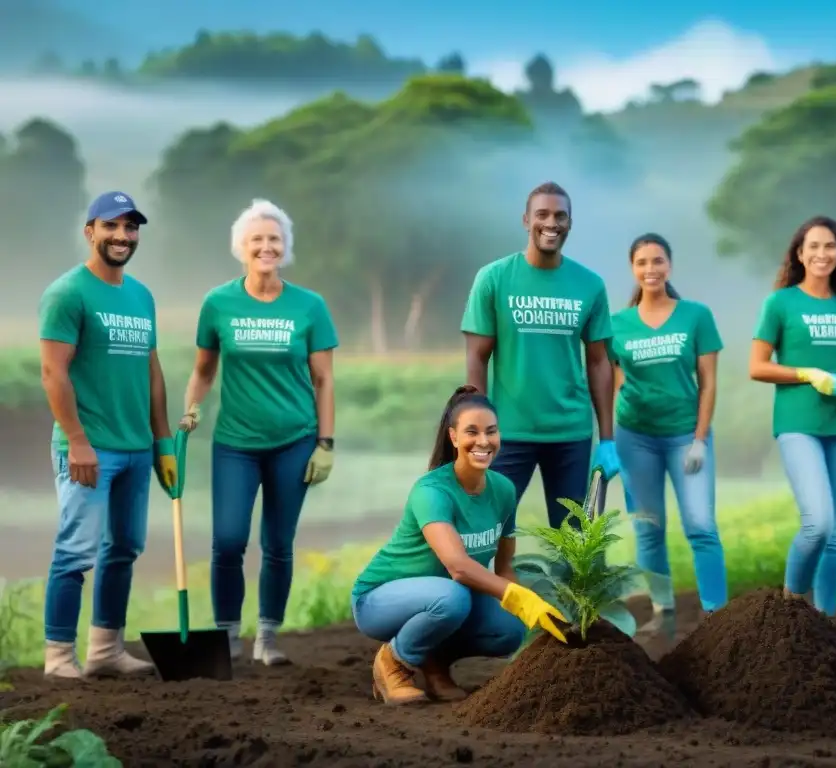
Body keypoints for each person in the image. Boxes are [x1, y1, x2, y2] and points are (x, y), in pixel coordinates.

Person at [178, 198, 339, 665]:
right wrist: (191, 409)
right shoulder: (218, 303)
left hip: (295, 441)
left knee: (278, 544)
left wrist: (326, 443)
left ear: (285, 246)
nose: (266, 247)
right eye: (256, 239)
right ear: (241, 248)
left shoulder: (310, 306)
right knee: (228, 540)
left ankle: (267, 637)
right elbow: (204, 370)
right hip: (235, 444)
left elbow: (324, 380)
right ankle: (227, 635)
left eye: (274, 239)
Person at [350, 386, 568, 705]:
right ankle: (393, 663)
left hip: (443, 598)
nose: (483, 441)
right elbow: (459, 567)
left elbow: (505, 569)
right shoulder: (432, 491)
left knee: (509, 629)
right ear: (453, 437)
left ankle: (434, 662)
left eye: (491, 431)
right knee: (453, 597)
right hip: (378, 600)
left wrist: (531, 618)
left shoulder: (503, 490)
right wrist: (520, 597)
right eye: (472, 432)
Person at [38, 191, 177, 679]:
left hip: (137, 449)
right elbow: (53, 373)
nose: (123, 235)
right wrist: (77, 440)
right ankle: (59, 657)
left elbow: (151, 371)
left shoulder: (141, 296)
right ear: (90, 231)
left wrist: (163, 443)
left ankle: (105, 650)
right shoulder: (67, 293)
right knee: (76, 552)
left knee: (123, 549)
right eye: (112, 225)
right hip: (89, 448)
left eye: (131, 227)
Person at [460, 181, 620, 530]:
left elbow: (599, 362)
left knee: (575, 541)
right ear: (526, 220)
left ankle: (574, 573)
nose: (551, 223)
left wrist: (608, 439)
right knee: (488, 530)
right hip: (508, 432)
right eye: (542, 214)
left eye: (560, 216)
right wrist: (478, 428)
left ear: (570, 223)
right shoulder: (494, 278)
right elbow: (476, 358)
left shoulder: (589, 284)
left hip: (571, 434)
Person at [749, 216, 836, 616]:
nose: (823, 253)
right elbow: (757, 366)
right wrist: (807, 373)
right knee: (817, 522)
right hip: (798, 424)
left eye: (830, 246)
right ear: (800, 255)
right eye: (814, 246)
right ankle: (791, 607)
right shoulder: (781, 303)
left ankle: (826, 624)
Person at [609, 233, 728, 638]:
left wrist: (700, 439)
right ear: (633, 269)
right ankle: (663, 613)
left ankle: (717, 615)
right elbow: (614, 383)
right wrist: (608, 440)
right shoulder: (617, 325)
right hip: (635, 439)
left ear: (669, 266)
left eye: (657, 261)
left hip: (685, 437)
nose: (650, 269)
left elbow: (708, 383)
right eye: (642, 262)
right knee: (648, 528)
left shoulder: (696, 316)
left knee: (701, 525)